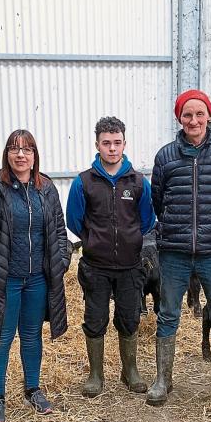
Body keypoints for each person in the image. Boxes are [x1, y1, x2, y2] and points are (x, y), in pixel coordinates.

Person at [147, 89, 211, 406]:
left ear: (209, 116)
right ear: (179, 118)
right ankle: (163, 380)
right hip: (174, 251)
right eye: (187, 114)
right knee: (167, 315)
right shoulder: (165, 157)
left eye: (199, 113)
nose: (194, 120)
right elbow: (158, 200)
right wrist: (176, 228)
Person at [0, 129, 70, 422]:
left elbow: (59, 230)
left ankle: (32, 389)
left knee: (31, 335)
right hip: (5, 278)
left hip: (38, 278)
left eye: (27, 149)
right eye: (14, 149)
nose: (21, 154)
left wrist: (61, 261)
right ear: (7, 154)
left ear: (35, 155)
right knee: (0, 337)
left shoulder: (47, 188)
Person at [66, 116, 156, 397]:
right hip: (96, 266)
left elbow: (147, 221)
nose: (112, 148)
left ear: (124, 143)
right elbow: (74, 221)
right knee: (95, 319)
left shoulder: (139, 182)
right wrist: (95, 240)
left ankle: (130, 370)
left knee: (129, 318)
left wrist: (129, 240)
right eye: (107, 143)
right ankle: (96, 374)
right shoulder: (84, 182)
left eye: (117, 143)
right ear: (97, 145)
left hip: (130, 265)